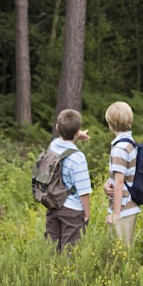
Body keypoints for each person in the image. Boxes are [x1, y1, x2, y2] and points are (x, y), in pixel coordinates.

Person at [45, 108, 92, 253]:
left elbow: (64, 142)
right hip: (72, 211)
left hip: (53, 204)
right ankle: (64, 276)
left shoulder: (53, 145)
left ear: (57, 128)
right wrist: (87, 214)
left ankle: (50, 276)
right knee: (70, 255)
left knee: (52, 252)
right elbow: (84, 192)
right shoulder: (78, 158)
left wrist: (76, 135)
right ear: (78, 131)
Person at [103, 101, 139, 247]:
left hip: (123, 209)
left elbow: (119, 183)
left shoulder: (120, 148)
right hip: (129, 206)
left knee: (119, 254)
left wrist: (116, 215)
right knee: (123, 251)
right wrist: (108, 183)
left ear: (110, 123)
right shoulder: (130, 143)